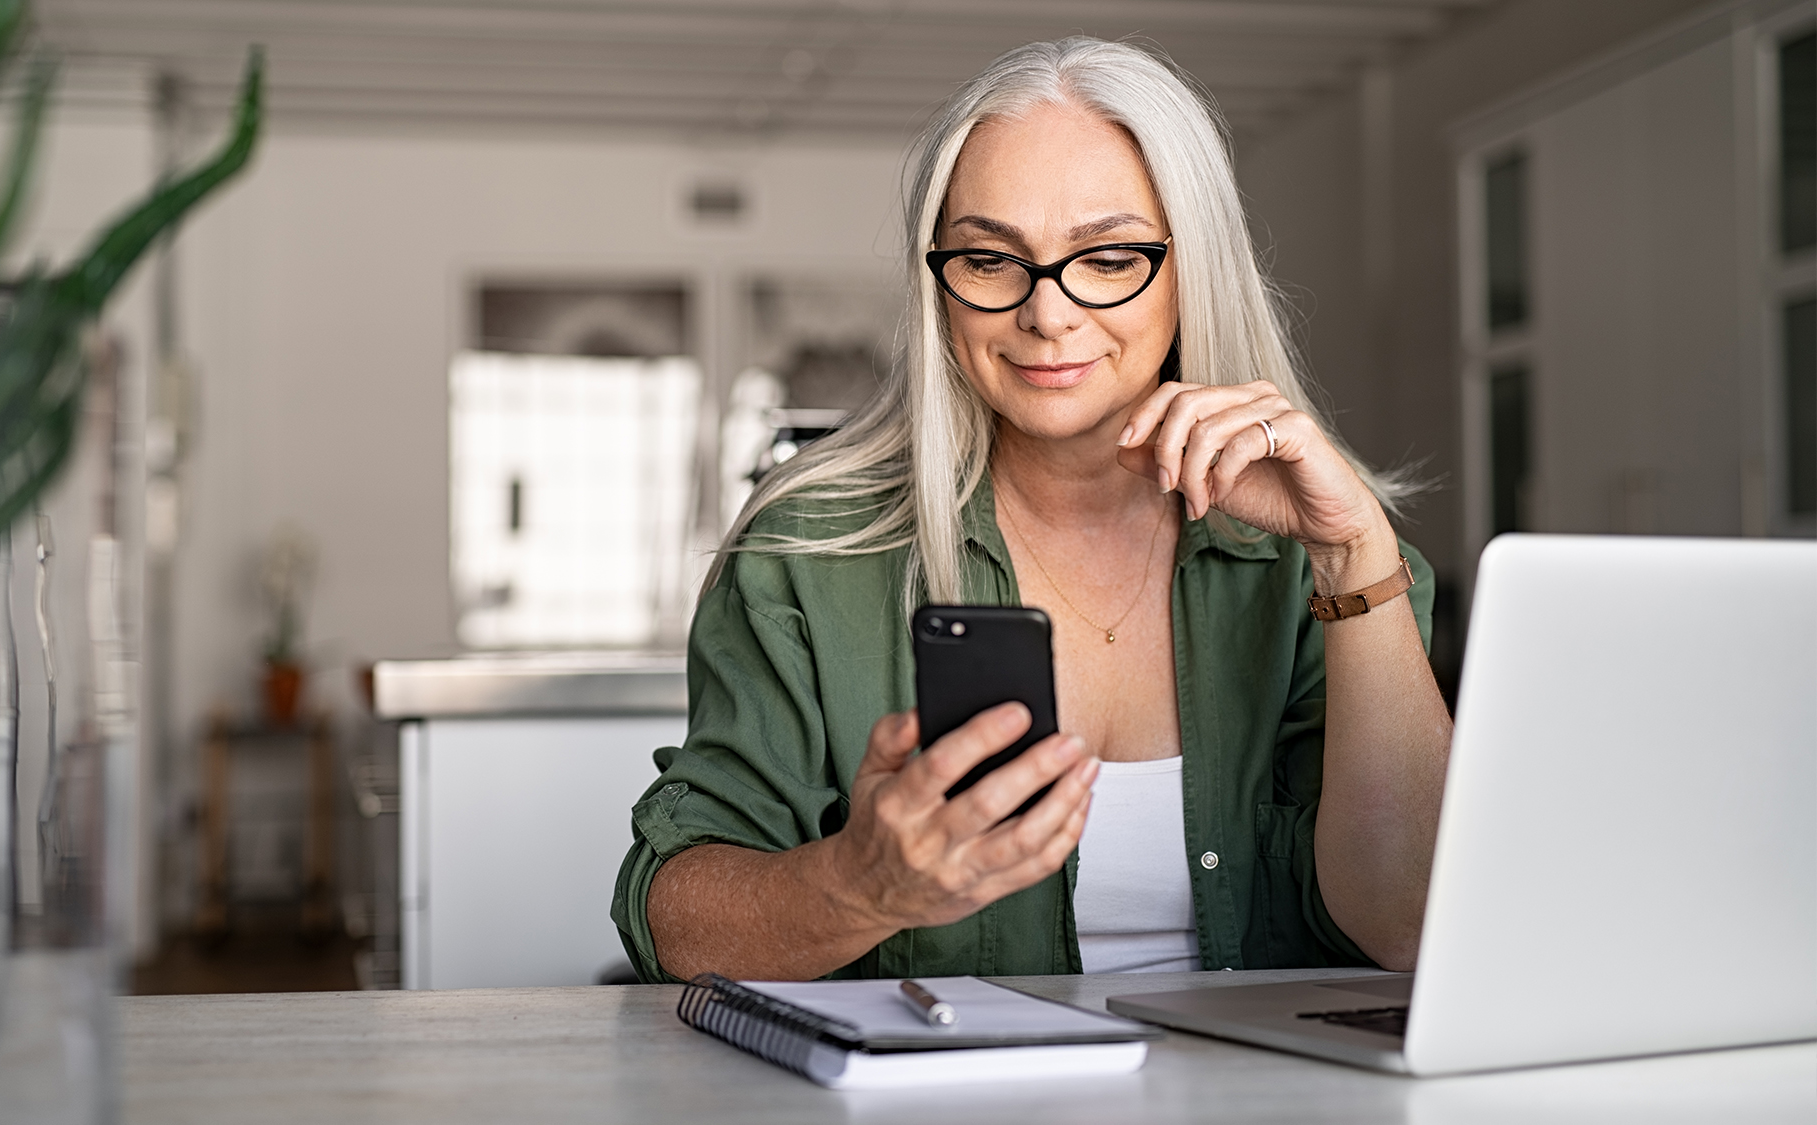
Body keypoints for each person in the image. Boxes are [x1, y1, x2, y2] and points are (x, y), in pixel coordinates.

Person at [611, 37, 1452, 983]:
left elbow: (1412, 924)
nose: (1046, 314)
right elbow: (674, 920)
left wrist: (1353, 557)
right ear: (940, 286)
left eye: (1107, 257)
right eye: (989, 258)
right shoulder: (808, 551)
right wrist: (860, 884)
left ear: (1192, 267)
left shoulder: (1331, 562)